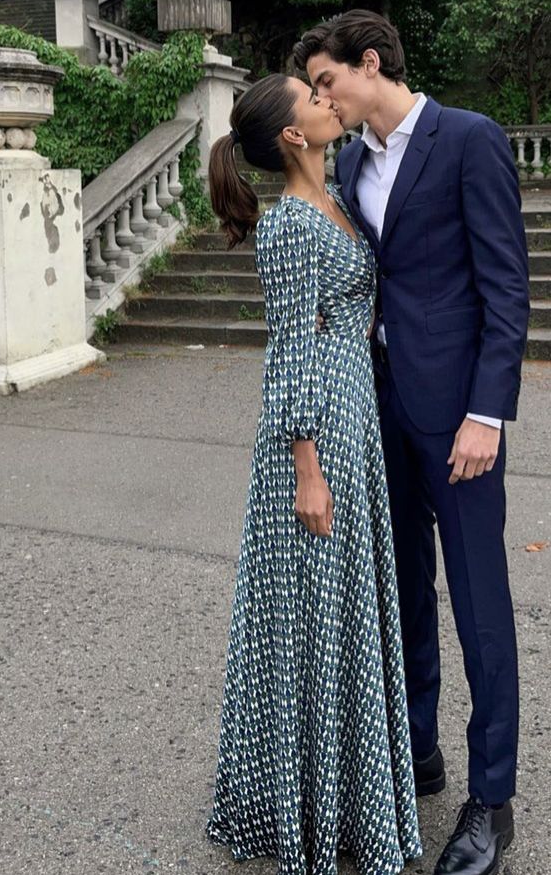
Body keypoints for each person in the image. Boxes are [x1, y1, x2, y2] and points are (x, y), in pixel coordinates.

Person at [293, 10, 529, 875]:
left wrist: (486, 412)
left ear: (369, 63)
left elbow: (507, 287)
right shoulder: (351, 160)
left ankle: (492, 799)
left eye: (326, 82)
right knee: (402, 595)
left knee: (479, 604)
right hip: (379, 412)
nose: (322, 98)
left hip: (458, 418)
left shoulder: (468, 139)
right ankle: (417, 752)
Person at [205, 72, 422, 875]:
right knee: (313, 614)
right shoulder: (292, 225)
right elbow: (289, 346)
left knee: (341, 608)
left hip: (352, 410)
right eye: (314, 100)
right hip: (318, 429)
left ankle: (346, 792)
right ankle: (312, 807)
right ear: (294, 136)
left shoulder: (334, 201)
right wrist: (307, 469)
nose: (330, 102)